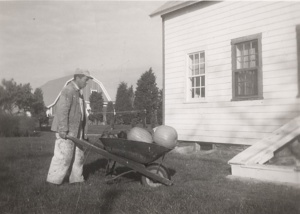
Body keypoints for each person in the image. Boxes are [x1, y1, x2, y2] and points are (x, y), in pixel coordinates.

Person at [46, 68, 93, 185]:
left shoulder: (79, 93)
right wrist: (63, 129)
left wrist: (84, 133)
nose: (87, 83)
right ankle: (53, 181)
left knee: (79, 156)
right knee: (64, 156)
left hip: (77, 130)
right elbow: (62, 111)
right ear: (77, 78)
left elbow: (81, 114)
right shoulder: (68, 90)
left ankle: (76, 180)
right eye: (85, 80)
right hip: (67, 130)